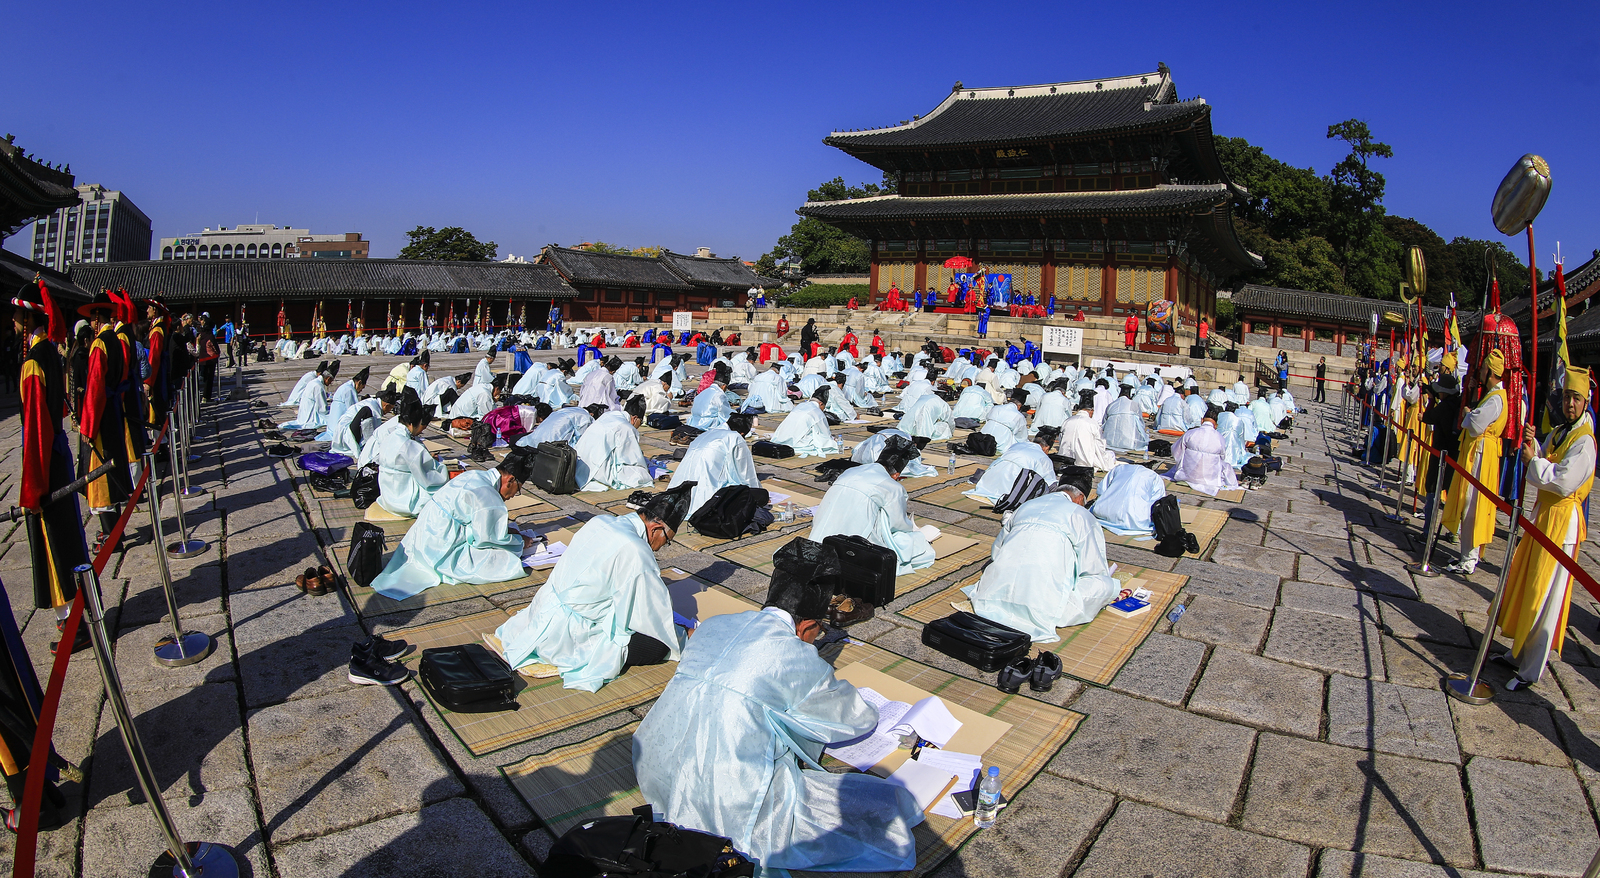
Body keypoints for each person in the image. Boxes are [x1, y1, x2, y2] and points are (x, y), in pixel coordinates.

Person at [632, 542, 922, 874]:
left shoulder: (713, 625)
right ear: (807, 626)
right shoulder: (792, 653)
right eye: (819, 631)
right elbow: (853, 718)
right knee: (887, 812)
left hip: (656, 770)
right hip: (726, 794)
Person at [496, 484, 693, 691]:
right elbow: (652, 615)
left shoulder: (601, 520)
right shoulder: (636, 549)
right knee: (658, 645)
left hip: (541, 612)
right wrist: (683, 633)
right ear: (656, 529)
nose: (662, 547)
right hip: (570, 636)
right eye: (667, 541)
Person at [1493, 367, 1595, 690]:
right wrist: (1533, 446)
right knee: (1529, 585)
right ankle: (1518, 653)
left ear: (1586, 401)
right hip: (1545, 517)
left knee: (1546, 596)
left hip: (1562, 524)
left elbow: (1563, 481)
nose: (1569, 404)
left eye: (1576, 398)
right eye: (1566, 398)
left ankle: (1531, 669)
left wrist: (1533, 462)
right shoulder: (1561, 431)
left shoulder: (1586, 441)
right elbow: (1546, 458)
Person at [14, 282, 92, 658]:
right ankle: (83, 611)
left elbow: (35, 428)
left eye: (18, 315)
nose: (14, 321)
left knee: (54, 543)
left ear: (29, 318)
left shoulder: (33, 361)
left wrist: (32, 487)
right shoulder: (51, 353)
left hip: (45, 461)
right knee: (69, 534)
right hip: (57, 453)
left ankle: (72, 624)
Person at [370, 449, 539, 600]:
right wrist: (520, 542)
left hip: (423, 534)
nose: (514, 495)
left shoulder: (475, 475)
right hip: (439, 545)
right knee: (503, 562)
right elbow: (489, 540)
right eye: (518, 489)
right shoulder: (489, 495)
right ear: (510, 480)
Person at [964, 485, 1119, 641]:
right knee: (1107, 585)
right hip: (1042, 606)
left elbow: (996, 552)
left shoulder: (1026, 505)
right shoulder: (1079, 514)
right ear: (1079, 499)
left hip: (994, 596)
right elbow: (1092, 566)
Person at [809, 436, 935, 575]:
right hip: (851, 543)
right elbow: (898, 524)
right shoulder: (892, 486)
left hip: (819, 534)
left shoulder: (851, 471)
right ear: (896, 475)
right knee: (912, 543)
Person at [1442, 350, 1509, 575]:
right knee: (1468, 503)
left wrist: (1468, 413)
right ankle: (1466, 555)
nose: (1480, 372)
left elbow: (1476, 424)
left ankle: (1469, 559)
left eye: (1483, 369)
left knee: (1472, 504)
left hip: (1482, 454)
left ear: (1490, 372)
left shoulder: (1496, 398)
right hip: (1478, 451)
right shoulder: (1491, 395)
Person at [668, 414, 758, 517]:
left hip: (678, 492)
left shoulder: (706, 433)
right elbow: (745, 472)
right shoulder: (735, 437)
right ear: (741, 433)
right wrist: (756, 493)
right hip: (705, 495)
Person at [374, 393, 448, 517]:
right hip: (403, 501)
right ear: (413, 424)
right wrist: (442, 469)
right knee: (444, 496)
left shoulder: (390, 437)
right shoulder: (408, 445)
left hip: (387, 496)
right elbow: (427, 478)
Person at [575, 396, 656, 492]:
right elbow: (634, 460)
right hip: (596, 470)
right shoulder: (626, 427)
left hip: (579, 463)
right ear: (634, 418)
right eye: (640, 422)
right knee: (641, 475)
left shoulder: (609, 415)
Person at [966, 426, 1060, 503]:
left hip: (990, 479)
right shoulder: (1044, 458)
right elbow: (1049, 481)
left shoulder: (1017, 445)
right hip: (1011, 487)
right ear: (1046, 447)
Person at [1170, 406, 1239, 496]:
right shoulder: (1219, 437)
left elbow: (1175, 451)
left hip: (1187, 476)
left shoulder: (1190, 433)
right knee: (1226, 466)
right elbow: (1222, 457)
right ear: (1216, 425)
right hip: (1211, 479)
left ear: (1202, 420)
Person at [1092, 461, 1168, 535]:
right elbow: (1159, 501)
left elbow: (1101, 490)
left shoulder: (1119, 468)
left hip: (1105, 513)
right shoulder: (1154, 476)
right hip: (1138, 521)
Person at [770, 388, 840, 457]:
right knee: (819, 441)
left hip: (780, 438)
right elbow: (824, 434)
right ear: (821, 403)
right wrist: (833, 440)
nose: (823, 410)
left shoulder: (801, 405)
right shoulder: (817, 411)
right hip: (796, 443)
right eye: (823, 407)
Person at [1059, 392, 1118, 470]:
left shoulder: (1067, 421)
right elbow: (1100, 445)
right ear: (1091, 411)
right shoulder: (1092, 423)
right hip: (1085, 461)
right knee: (1111, 455)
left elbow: (1061, 440)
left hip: (1065, 458)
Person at [1103, 385, 1149, 452]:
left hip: (1109, 442)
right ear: (1129, 395)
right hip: (1129, 443)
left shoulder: (1111, 405)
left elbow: (1104, 422)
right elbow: (1140, 423)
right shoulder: (1134, 404)